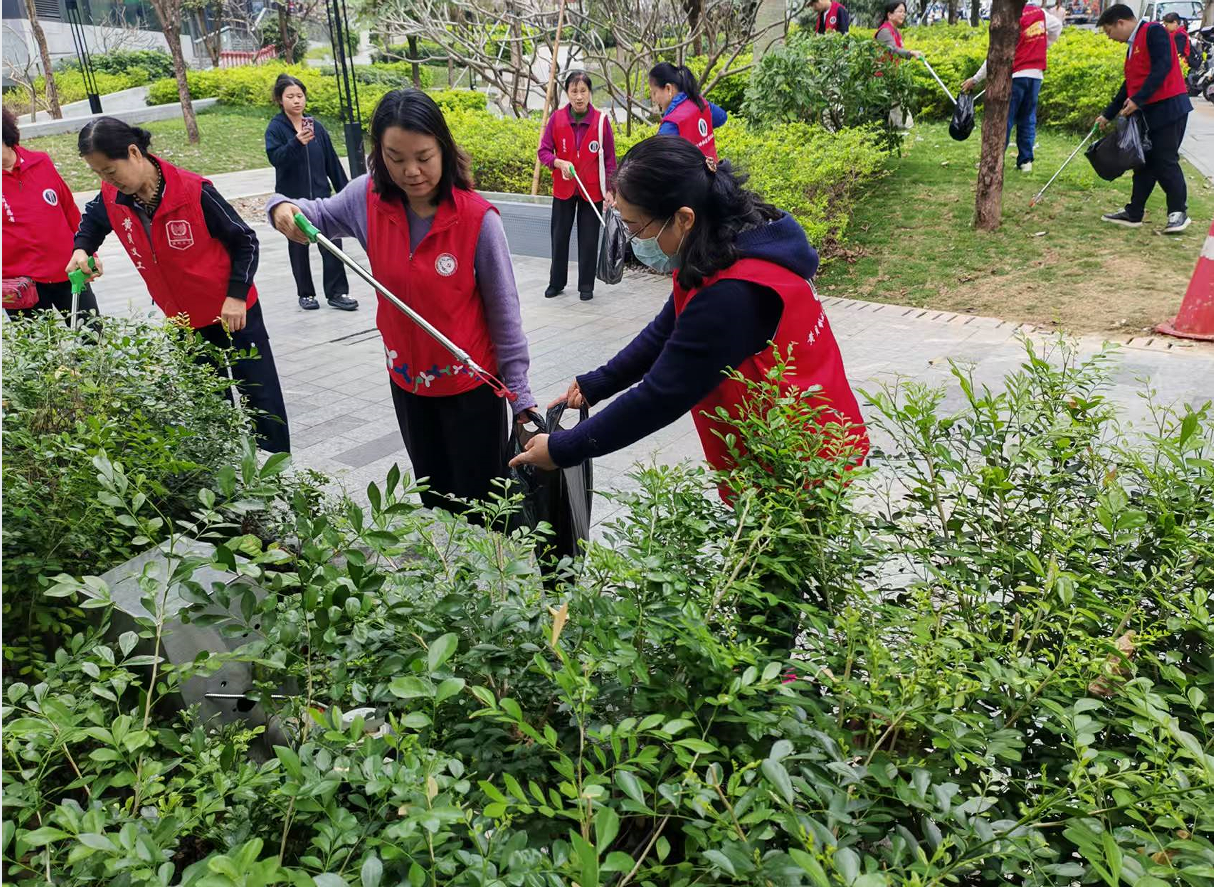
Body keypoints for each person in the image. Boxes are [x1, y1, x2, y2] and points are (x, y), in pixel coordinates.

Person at [510, 136, 868, 490]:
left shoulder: (732, 294)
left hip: (803, 466)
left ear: (683, 218)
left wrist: (562, 449)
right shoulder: (717, 245)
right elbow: (666, 330)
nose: (635, 243)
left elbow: (661, 396)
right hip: (783, 442)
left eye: (635, 229)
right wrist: (599, 382)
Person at [267, 89, 537, 518]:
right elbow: (311, 213)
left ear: (444, 149)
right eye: (395, 158)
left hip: (471, 390)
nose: (411, 171)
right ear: (380, 155)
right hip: (409, 385)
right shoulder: (366, 199)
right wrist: (280, 207)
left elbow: (505, 314)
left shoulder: (476, 218)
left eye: (424, 157)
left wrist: (520, 395)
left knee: (485, 506)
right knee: (435, 498)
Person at [68, 117, 290, 453]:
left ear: (133, 152)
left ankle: (277, 471)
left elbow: (245, 241)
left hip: (233, 313)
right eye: (99, 174)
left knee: (260, 397)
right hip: (183, 320)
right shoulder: (113, 194)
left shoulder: (193, 191)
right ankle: (225, 470)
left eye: (110, 171)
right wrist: (82, 248)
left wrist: (236, 296)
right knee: (208, 404)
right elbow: (93, 221)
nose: (107, 180)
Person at [1095, 3, 1193, 233]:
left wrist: (1138, 99)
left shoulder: (1153, 31)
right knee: (1144, 163)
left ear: (1120, 23)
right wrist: (1107, 114)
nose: (1110, 37)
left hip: (1169, 108)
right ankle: (1134, 212)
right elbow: (1129, 83)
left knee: (1165, 160)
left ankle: (1178, 213)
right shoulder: (1133, 46)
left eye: (1109, 31)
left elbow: (1163, 66)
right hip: (1150, 112)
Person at [265, 74, 358, 312]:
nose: (296, 101)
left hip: (322, 199)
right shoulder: (276, 128)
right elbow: (276, 159)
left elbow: (331, 162)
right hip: (292, 201)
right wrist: (296, 143)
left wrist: (346, 193)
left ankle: (337, 293)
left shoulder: (317, 127)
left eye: (300, 95)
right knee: (298, 246)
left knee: (332, 244)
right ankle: (306, 294)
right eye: (290, 96)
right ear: (280, 100)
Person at [2, 108, 99, 325]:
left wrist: (88, 251)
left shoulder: (40, 162)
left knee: (92, 334)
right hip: (20, 286)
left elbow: (69, 210)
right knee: (38, 345)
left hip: (69, 271)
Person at [537, 71, 617, 302]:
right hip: (563, 189)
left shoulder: (601, 121)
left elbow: (610, 159)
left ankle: (586, 286)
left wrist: (610, 189)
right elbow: (543, 151)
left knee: (589, 239)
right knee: (559, 237)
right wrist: (558, 162)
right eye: (574, 91)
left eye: (583, 91)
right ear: (567, 93)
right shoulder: (557, 119)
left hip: (592, 191)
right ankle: (556, 282)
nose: (579, 96)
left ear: (590, 93)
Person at [962, 0, 1062, 173]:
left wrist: (976, 79)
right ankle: (1025, 161)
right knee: (1028, 118)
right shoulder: (1040, 13)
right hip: (1036, 75)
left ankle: (994, 160)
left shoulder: (1009, 17)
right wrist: (1042, 46)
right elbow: (1057, 26)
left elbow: (995, 54)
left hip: (1015, 75)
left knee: (1005, 119)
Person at [649, 62, 727, 161]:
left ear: (668, 88)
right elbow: (722, 117)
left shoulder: (672, 124)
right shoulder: (700, 102)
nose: (653, 99)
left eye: (654, 93)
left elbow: (656, 160)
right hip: (713, 169)